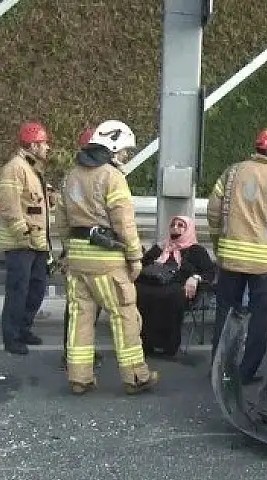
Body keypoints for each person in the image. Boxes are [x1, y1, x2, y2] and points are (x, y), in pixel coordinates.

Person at [57, 119, 159, 395]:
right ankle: (136, 377)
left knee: (80, 317)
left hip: (77, 259)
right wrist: (135, 256)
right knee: (124, 315)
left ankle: (79, 378)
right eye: (124, 151)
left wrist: (69, 250)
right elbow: (124, 222)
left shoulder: (70, 176)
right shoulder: (112, 177)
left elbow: (62, 222)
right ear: (112, 147)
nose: (125, 156)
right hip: (107, 261)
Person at [207, 126, 267, 384]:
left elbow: (213, 212)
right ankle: (246, 372)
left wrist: (219, 244)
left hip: (229, 259)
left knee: (225, 313)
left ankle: (219, 367)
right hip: (265, 265)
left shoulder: (231, 172)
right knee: (260, 317)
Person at [0, 121, 53, 355]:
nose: (47, 147)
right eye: (43, 143)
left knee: (37, 288)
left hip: (36, 242)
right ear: (32, 145)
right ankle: (12, 337)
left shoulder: (32, 168)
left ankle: (24, 328)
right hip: (21, 243)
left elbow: (34, 204)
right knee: (18, 291)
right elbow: (9, 203)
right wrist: (22, 231)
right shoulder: (15, 168)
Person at [136, 215, 215, 357]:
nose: (175, 228)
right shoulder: (162, 247)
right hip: (155, 283)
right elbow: (143, 264)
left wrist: (195, 277)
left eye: (180, 225)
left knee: (171, 296)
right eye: (173, 225)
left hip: (180, 286)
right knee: (140, 292)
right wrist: (157, 248)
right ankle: (146, 342)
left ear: (189, 229)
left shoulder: (196, 250)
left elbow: (209, 272)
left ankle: (168, 344)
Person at [58, 127, 103, 371]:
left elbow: (61, 215)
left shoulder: (71, 177)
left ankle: (73, 355)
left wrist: (66, 246)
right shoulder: (106, 176)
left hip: (76, 248)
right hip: (101, 251)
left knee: (77, 307)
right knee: (112, 309)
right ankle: (81, 357)